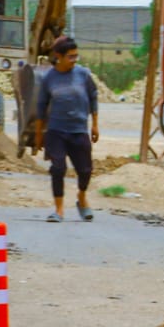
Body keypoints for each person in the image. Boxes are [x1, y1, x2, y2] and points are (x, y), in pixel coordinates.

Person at [32, 36, 100, 222]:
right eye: (70, 56)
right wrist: (39, 135)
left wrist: (94, 124)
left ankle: (82, 198)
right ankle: (59, 209)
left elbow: (93, 96)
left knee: (85, 170)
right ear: (58, 56)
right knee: (58, 168)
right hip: (56, 131)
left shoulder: (83, 74)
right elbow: (41, 107)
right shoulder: (49, 79)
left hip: (79, 130)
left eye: (76, 56)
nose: (74, 60)